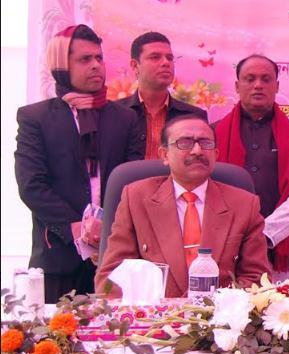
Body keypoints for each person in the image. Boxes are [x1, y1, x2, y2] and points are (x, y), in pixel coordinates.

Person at [15, 25, 144, 303]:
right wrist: (75, 227)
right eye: (85, 59)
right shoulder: (36, 118)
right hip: (59, 255)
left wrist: (107, 226)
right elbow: (31, 185)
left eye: (99, 58)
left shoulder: (125, 118)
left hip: (114, 256)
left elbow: (133, 182)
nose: (96, 65)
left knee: (117, 329)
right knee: (56, 329)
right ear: (62, 67)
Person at [96, 116, 271, 297]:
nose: (197, 151)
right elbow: (111, 278)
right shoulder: (136, 198)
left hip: (219, 313)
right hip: (154, 312)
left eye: (205, 143)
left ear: (216, 154)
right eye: (185, 143)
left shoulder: (244, 204)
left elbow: (257, 279)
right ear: (164, 155)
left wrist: (209, 308)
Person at [213, 55, 289, 281]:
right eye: (250, 79)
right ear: (237, 86)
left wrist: (263, 234)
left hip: (282, 254)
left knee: (285, 305)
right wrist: (236, 236)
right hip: (224, 250)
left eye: (266, 79)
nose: (258, 85)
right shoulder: (212, 134)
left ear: (277, 86)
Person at [116, 32, 207, 160]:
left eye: (169, 58)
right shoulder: (114, 114)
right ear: (135, 66)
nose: (166, 63)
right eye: (155, 57)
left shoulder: (193, 117)